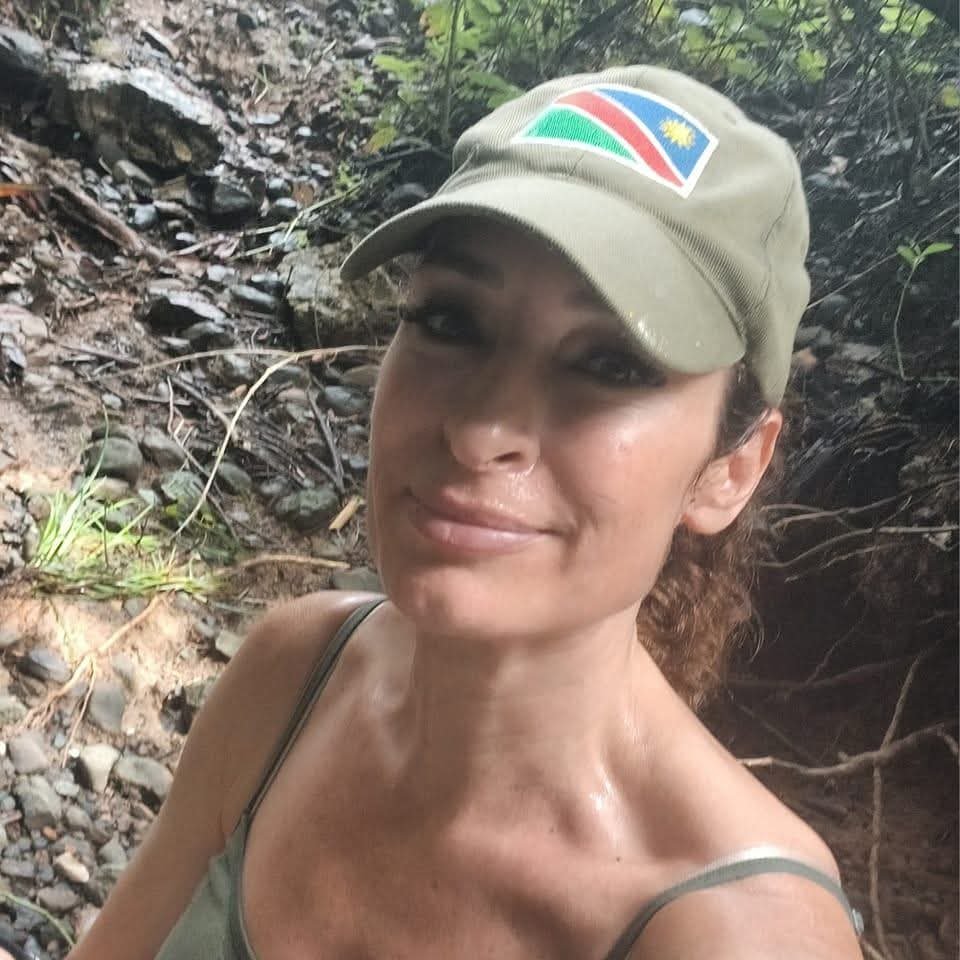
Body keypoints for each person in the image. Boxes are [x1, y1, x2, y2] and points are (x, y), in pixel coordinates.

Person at [64, 65, 865, 959]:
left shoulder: (740, 936)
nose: (483, 430)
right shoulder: (293, 679)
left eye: (610, 364)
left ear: (730, 469)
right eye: (451, 321)